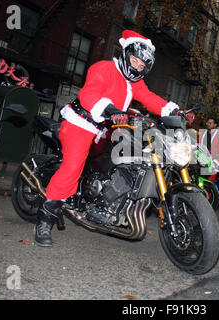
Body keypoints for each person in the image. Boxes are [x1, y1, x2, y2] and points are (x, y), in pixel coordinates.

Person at [34, 30, 191, 247]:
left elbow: (149, 98)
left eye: (141, 65)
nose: (137, 67)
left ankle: (108, 199)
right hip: (80, 122)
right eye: (134, 60)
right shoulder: (103, 68)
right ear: (126, 54)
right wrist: (109, 109)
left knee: (126, 158)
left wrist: (173, 111)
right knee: (72, 167)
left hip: (105, 127)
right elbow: (90, 94)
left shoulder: (134, 83)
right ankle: (44, 219)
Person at [199, 117, 219, 182]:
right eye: (207, 123)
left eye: (210, 123)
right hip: (200, 162)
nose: (208, 124)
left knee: (207, 184)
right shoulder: (202, 134)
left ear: (215, 125)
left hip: (212, 164)